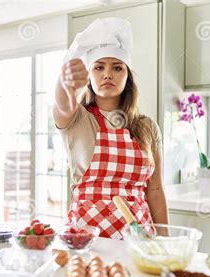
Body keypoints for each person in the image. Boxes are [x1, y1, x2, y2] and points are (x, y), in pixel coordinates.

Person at [53, 18, 168, 239]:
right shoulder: (77, 119)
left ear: (128, 77)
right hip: (86, 240)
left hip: (138, 240)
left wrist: (165, 240)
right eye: (98, 67)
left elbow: (154, 190)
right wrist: (64, 81)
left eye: (117, 68)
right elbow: (62, 104)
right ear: (89, 76)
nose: (108, 74)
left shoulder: (147, 127)